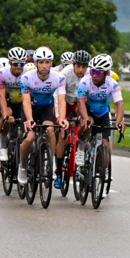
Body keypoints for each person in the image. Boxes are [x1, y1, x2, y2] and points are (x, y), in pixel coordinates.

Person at [75, 54, 126, 190]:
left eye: (98, 72)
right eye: (92, 71)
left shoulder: (112, 84)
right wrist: (85, 118)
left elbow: (119, 104)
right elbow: (80, 101)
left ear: (106, 73)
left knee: (104, 144)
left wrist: (119, 121)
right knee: (87, 124)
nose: (94, 75)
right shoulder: (85, 81)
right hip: (88, 111)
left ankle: (101, 173)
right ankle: (80, 147)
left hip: (103, 113)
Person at [18, 46, 68, 186]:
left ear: (51, 63)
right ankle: (22, 167)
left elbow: (61, 100)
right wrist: (29, 120)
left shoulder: (59, 77)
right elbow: (26, 101)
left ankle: (50, 164)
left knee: (50, 130)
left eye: (47, 62)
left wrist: (62, 118)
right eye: (41, 62)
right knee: (29, 138)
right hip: (30, 109)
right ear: (35, 63)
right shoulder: (27, 77)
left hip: (46, 108)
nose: (44, 66)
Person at [54, 49, 90, 187]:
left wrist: (83, 116)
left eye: (83, 67)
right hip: (64, 101)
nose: (80, 70)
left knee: (82, 127)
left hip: (79, 102)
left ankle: (80, 150)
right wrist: (60, 117)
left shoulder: (89, 75)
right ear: (73, 64)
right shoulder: (65, 74)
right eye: (78, 66)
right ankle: (58, 172)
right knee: (63, 135)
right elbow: (58, 97)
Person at [0, 47, 28, 164]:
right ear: (10, 62)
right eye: (15, 64)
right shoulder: (1, 73)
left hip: (22, 102)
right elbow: (1, 95)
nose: (19, 66)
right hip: (8, 101)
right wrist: (5, 115)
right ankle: (3, 145)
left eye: (21, 63)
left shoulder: (29, 72)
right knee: (6, 115)